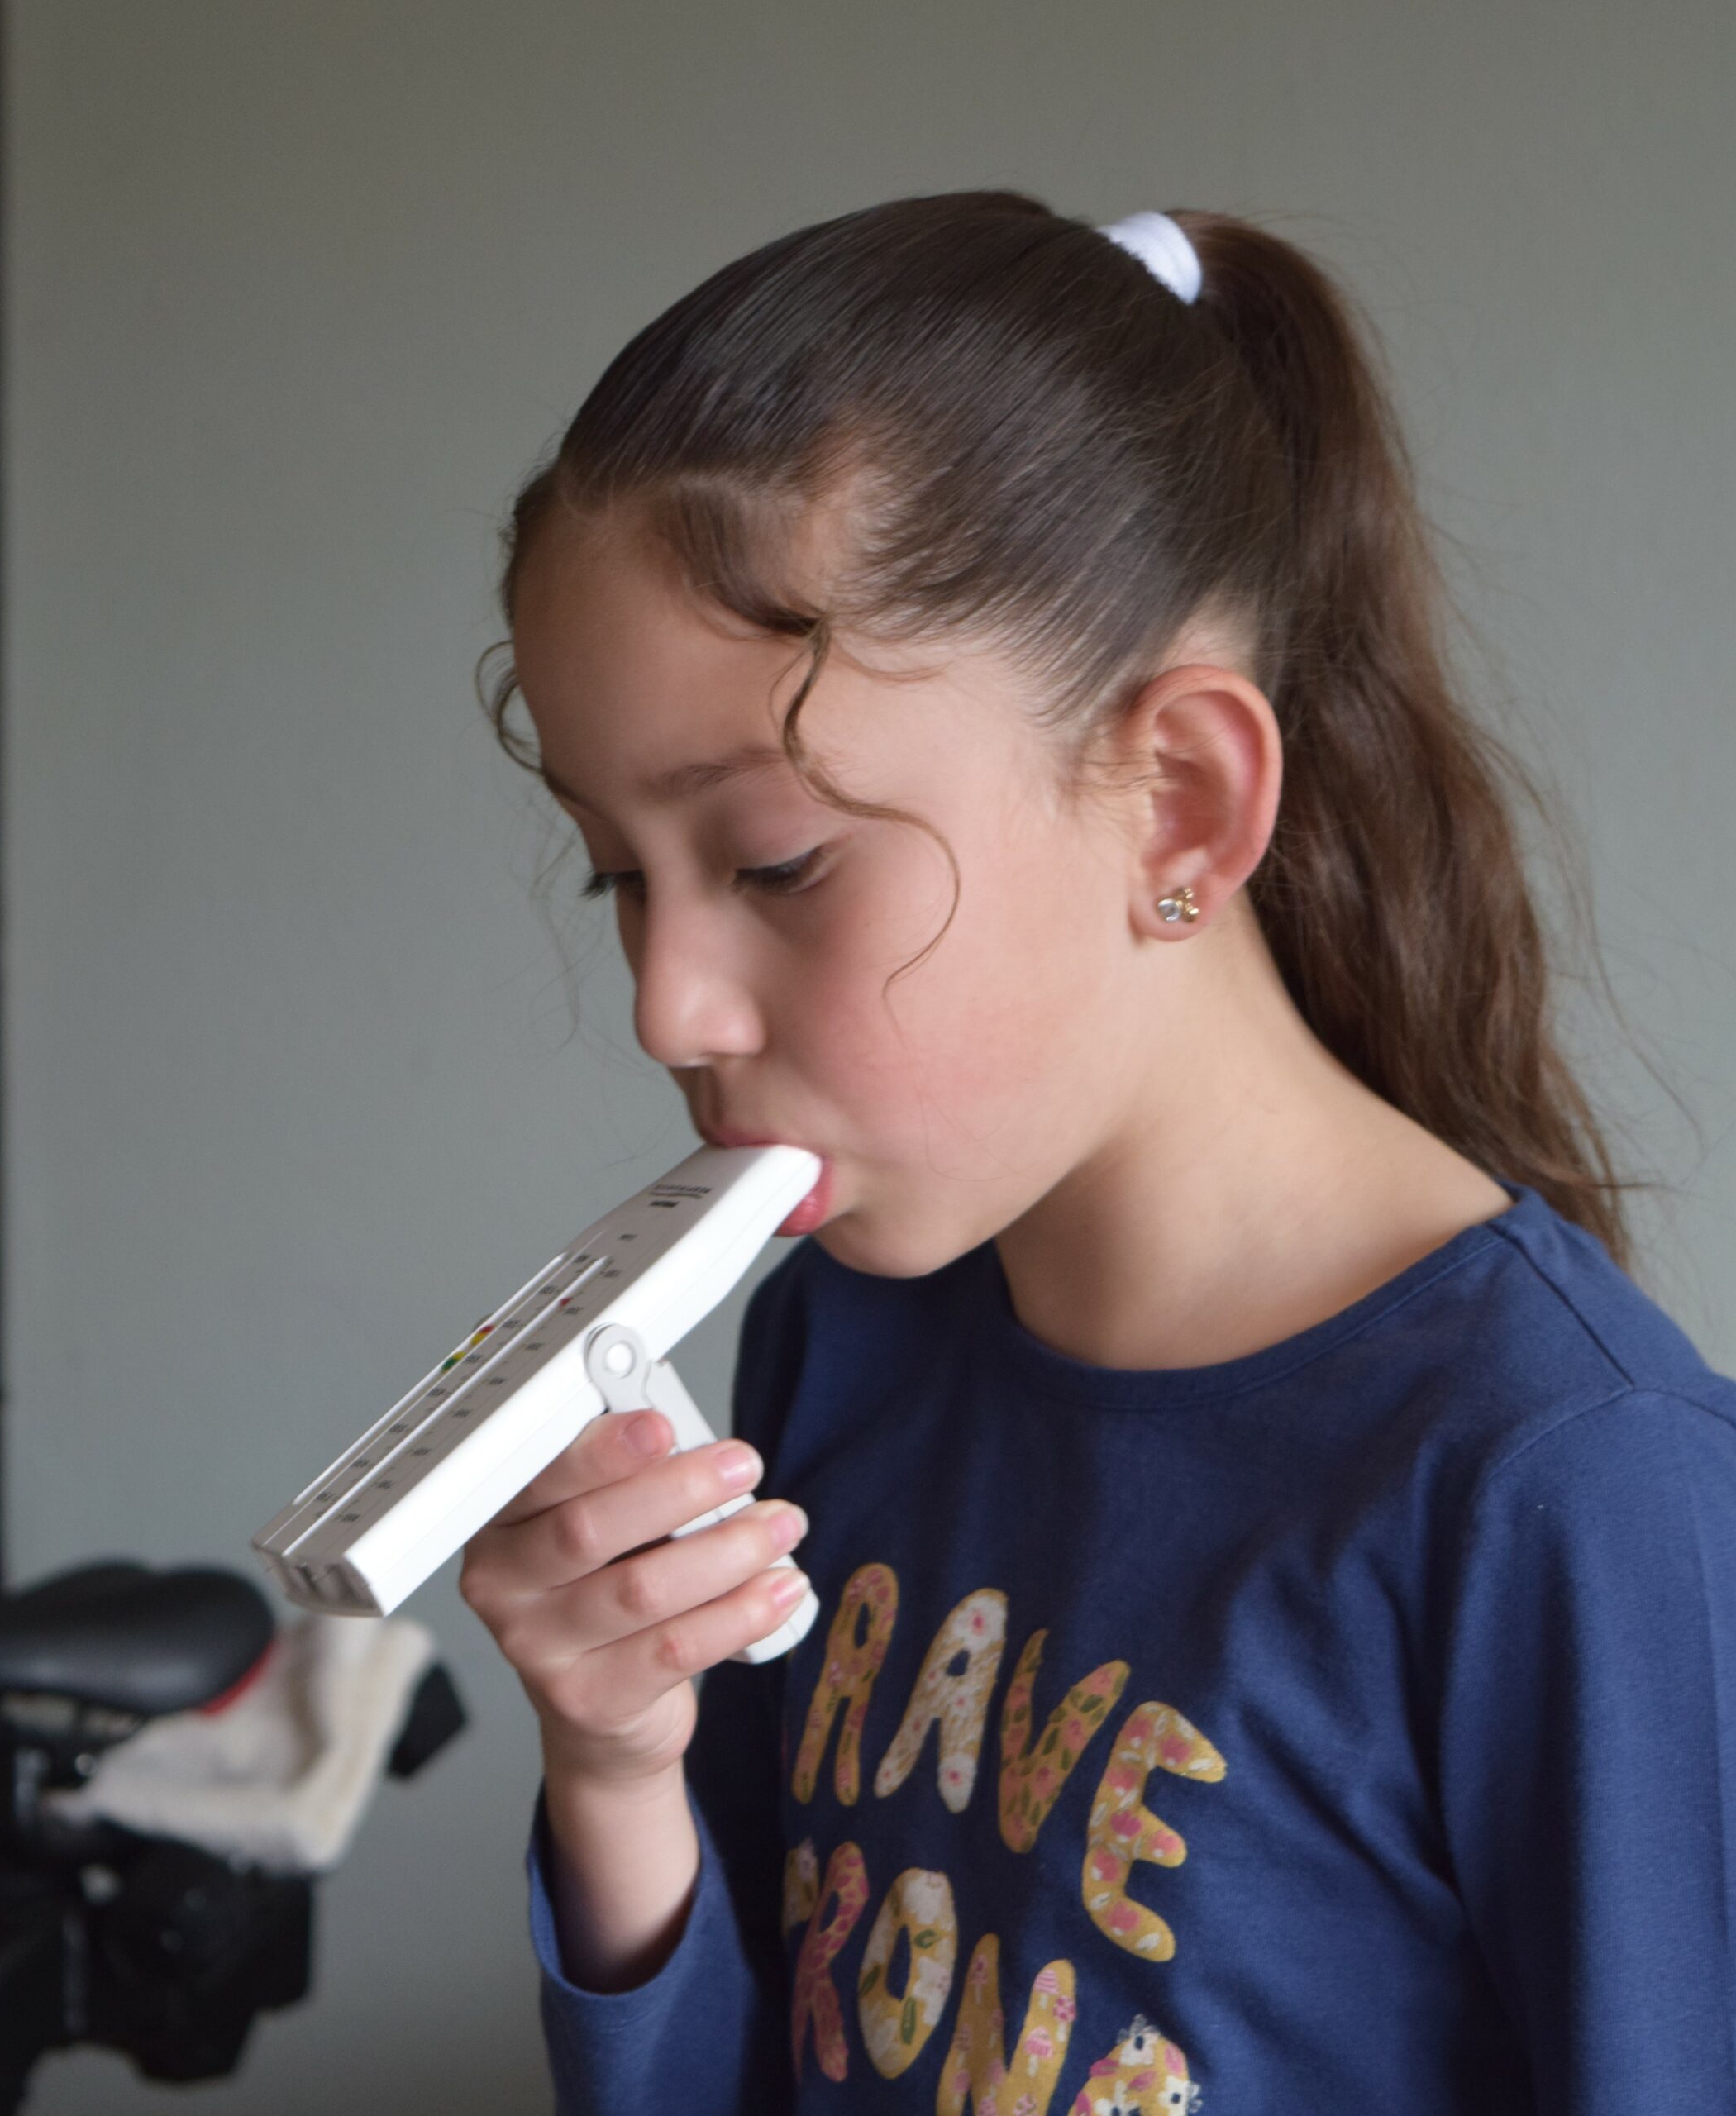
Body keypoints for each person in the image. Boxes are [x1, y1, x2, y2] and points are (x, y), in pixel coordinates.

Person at [453, 192, 1736, 2113]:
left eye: (778, 859)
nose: (670, 1007)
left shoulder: (1563, 1488)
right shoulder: (840, 1339)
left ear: (1181, 802)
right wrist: (617, 1764)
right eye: (618, 874)